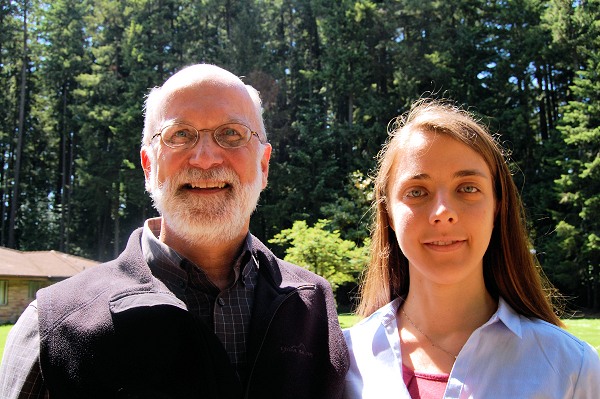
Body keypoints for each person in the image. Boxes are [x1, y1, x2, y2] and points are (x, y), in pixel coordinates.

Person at [0, 64, 349, 399]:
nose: (206, 158)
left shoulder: (314, 308)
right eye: (180, 135)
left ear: (263, 164)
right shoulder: (55, 324)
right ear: (149, 165)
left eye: (231, 133)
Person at [343, 99, 600, 398]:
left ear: (496, 208)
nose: (443, 211)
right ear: (388, 214)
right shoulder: (344, 362)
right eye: (417, 192)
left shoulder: (572, 368)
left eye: (468, 188)